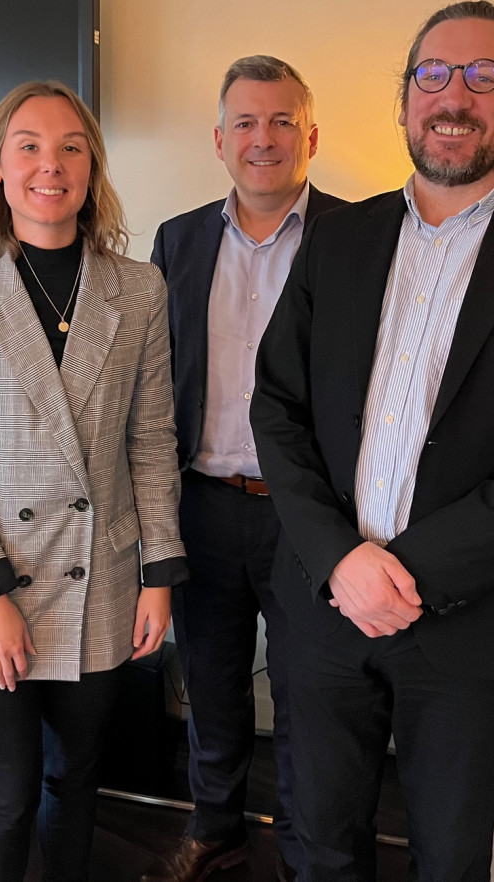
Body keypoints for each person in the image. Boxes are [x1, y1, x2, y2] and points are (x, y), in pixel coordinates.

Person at [250, 0, 494, 882]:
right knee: (314, 843)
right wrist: (343, 560)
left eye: (482, 75)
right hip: (325, 606)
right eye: (433, 75)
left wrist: (410, 573)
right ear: (403, 100)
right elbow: (277, 407)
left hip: (473, 621)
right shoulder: (338, 237)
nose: (453, 96)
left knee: (452, 858)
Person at [0, 80, 189, 882]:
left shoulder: (136, 289)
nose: (50, 163)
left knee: (75, 780)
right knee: (5, 795)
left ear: (92, 167)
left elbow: (151, 440)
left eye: (71, 146)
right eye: (28, 145)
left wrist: (158, 575)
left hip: (99, 581)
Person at [142, 55, 342, 882]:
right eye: (247, 124)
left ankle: (304, 848)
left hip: (310, 513)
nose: (265, 140)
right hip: (202, 503)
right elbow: (157, 377)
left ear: (311, 136)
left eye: (282, 121)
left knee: (309, 695)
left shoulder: (360, 236)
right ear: (220, 141)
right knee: (211, 685)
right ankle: (216, 827)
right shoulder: (177, 240)